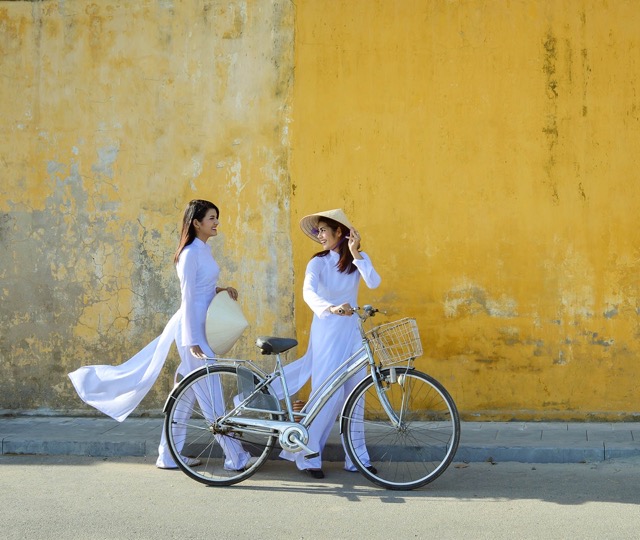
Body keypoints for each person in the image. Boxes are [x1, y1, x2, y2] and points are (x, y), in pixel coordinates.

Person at [68, 199, 252, 470]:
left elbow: (201, 290)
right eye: (211, 218)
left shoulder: (203, 250)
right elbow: (188, 298)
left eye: (217, 218)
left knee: (187, 393)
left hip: (203, 326)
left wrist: (221, 290)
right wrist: (191, 341)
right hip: (193, 330)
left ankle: (168, 454)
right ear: (196, 223)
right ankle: (235, 457)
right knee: (209, 390)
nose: (216, 223)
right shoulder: (189, 253)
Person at [278, 208, 381, 479]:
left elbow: (373, 281)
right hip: (327, 331)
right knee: (327, 394)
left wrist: (356, 252)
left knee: (355, 394)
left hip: (352, 333)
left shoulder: (357, 260)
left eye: (324, 230)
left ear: (340, 232)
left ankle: (356, 457)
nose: (319, 235)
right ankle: (308, 455)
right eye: (319, 230)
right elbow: (308, 292)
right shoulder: (318, 263)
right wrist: (331, 308)